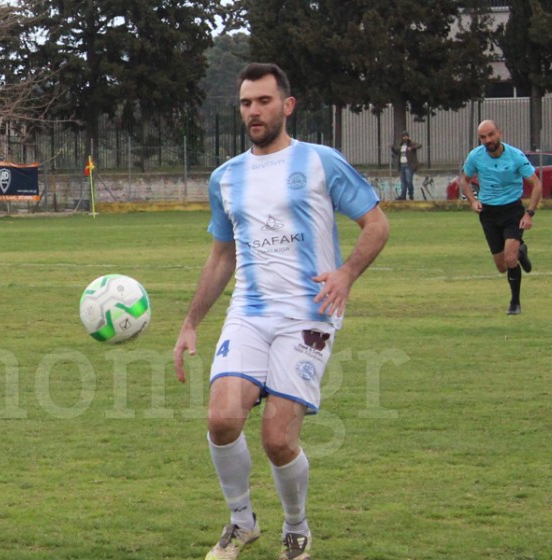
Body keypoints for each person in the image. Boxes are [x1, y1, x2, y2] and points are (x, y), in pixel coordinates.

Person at [172, 63, 389, 560]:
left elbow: (376, 225)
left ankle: (296, 527)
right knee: (222, 418)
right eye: (247, 103)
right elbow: (221, 256)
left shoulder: (320, 162)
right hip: (248, 311)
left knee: (276, 438)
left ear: (287, 106)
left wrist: (346, 274)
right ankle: (241, 522)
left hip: (309, 314)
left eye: (264, 101)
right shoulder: (225, 177)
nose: (254, 111)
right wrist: (190, 323)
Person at [457, 119, 541, 315]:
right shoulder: (475, 157)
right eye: (483, 137)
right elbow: (465, 180)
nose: (488, 140)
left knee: (509, 258)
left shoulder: (515, 156)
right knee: (502, 266)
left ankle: (515, 303)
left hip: (512, 211)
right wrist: (472, 201)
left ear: (499, 133)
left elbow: (536, 184)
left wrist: (529, 214)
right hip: (488, 213)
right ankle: (521, 251)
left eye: (491, 135)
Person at [391, 131, 422, 200]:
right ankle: (403, 196)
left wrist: (412, 148)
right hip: (402, 166)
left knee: (409, 181)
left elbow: (420, 145)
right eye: (404, 136)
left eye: (406, 136)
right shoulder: (401, 145)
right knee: (403, 182)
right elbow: (397, 152)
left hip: (409, 166)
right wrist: (392, 148)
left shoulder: (411, 144)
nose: (405, 137)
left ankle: (411, 195)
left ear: (408, 137)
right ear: (402, 137)